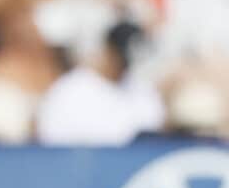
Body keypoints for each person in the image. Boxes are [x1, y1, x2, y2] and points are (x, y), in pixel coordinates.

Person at [35, 21, 164, 145]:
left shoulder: (142, 88)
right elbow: (52, 142)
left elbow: (152, 134)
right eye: (121, 58)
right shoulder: (70, 90)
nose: (124, 66)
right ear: (108, 51)